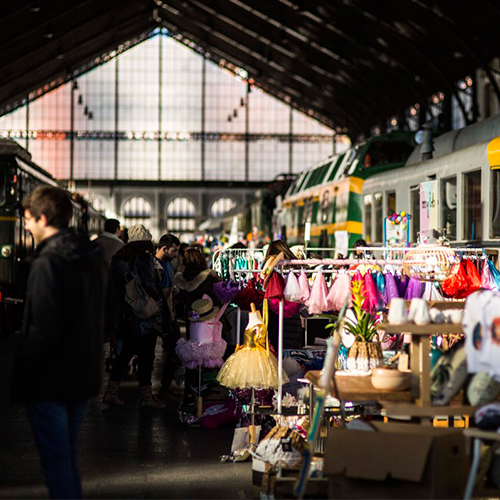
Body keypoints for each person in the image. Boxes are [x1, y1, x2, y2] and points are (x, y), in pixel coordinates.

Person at [10, 186, 108, 499]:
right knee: (65, 457)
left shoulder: (47, 263)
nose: (25, 225)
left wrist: (21, 374)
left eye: (27, 219)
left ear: (42, 218)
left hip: (50, 380)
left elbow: (42, 329)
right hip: (83, 376)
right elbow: (111, 315)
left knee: (56, 462)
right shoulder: (92, 259)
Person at [102, 224, 166, 409]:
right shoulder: (144, 258)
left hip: (125, 316)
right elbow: (148, 283)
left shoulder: (118, 260)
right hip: (143, 315)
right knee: (146, 356)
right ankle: (146, 397)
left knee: (124, 355)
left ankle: (110, 392)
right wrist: (158, 301)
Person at [155, 233, 182, 400]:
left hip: (168, 314)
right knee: (173, 351)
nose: (176, 255)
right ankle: (163, 390)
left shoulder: (167, 264)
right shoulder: (156, 265)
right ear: (164, 249)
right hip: (162, 315)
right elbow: (165, 294)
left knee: (174, 351)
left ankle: (165, 389)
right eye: (174, 250)